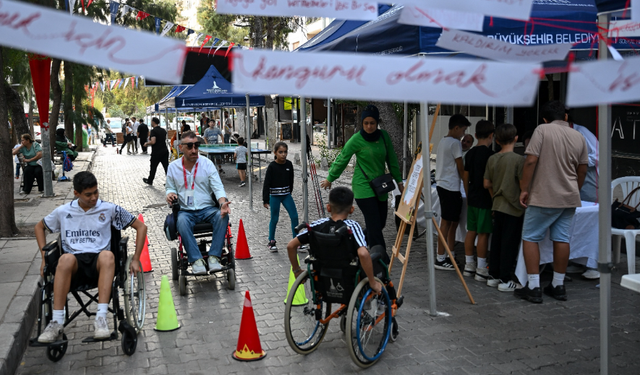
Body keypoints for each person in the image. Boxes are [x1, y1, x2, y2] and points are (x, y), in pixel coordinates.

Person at [34, 171, 147, 343]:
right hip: (75, 264)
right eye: (88, 195)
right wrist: (44, 258)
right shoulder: (63, 211)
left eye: (96, 192)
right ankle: (56, 322)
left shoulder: (109, 209)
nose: (94, 197)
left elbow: (141, 227)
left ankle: (101, 319)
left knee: (108, 256)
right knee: (64, 259)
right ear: (76, 193)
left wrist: (136, 258)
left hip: (100, 264)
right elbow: (39, 227)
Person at [517, 101, 588, 303]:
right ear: (565, 117)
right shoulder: (579, 136)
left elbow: (530, 161)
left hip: (543, 195)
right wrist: (575, 189)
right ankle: (558, 284)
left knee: (530, 237)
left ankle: (533, 286)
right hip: (568, 197)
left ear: (545, 119)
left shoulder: (542, 130)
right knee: (562, 238)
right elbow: (582, 170)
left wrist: (524, 188)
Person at [320, 104, 403, 251]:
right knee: (374, 226)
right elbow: (342, 158)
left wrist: (398, 180)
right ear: (362, 123)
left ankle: (351, 242)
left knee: (380, 223)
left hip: (380, 186)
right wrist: (330, 178)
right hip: (363, 186)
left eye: (372, 123)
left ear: (377, 123)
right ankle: (380, 260)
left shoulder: (384, 136)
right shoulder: (356, 139)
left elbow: (392, 160)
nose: (369, 126)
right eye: (366, 123)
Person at [286, 186, 382, 293]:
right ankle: (378, 295)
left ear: (328, 208)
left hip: (322, 275)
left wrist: (297, 270)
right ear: (351, 210)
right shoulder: (352, 227)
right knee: (378, 251)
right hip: (347, 277)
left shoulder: (316, 226)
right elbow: (363, 254)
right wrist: (372, 281)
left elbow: (291, 246)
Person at [165, 131, 231, 274]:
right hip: (186, 211)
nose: (194, 150)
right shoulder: (173, 167)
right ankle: (196, 260)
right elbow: (169, 187)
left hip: (207, 208)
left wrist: (222, 203)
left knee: (222, 216)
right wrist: (169, 194)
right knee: (181, 222)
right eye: (189, 146)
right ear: (180, 148)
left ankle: (214, 257)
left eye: (196, 145)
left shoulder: (207, 164)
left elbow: (218, 187)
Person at [483, 123, 525, 292]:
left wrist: (495, 195)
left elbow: (486, 183)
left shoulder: (492, 158)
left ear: (497, 140)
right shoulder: (519, 160)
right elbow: (523, 185)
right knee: (510, 242)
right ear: (516, 138)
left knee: (497, 241)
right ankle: (505, 278)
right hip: (514, 206)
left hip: (497, 203)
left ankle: (493, 274)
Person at [434, 114, 470, 270]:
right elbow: (461, 168)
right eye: (463, 130)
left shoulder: (443, 141)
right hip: (450, 186)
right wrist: (467, 187)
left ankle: (449, 253)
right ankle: (440, 257)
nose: (463, 134)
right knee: (446, 223)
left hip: (443, 184)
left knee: (452, 223)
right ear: (456, 128)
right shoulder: (455, 143)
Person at [462, 120, 494, 282]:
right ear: (491, 136)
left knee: (471, 230)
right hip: (485, 198)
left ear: (475, 135)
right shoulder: (491, 155)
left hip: (472, 196)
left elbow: (465, 177)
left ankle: (469, 264)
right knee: (483, 233)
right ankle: (481, 267)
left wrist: (468, 194)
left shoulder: (470, 154)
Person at [263, 142, 298, 252]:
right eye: (280, 152)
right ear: (275, 153)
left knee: (294, 216)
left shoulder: (289, 164)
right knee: (274, 218)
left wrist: (289, 192)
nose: (283, 154)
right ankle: (271, 241)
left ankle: (296, 241)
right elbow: (266, 183)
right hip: (275, 196)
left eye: (285, 152)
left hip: (286, 195)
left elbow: (291, 180)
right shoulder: (272, 167)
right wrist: (265, 199)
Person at [143, 117, 169, 186]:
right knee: (166, 167)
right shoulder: (163, 130)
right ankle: (170, 182)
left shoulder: (153, 131)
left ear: (154, 122)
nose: (151, 123)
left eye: (151, 121)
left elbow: (153, 141)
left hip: (156, 152)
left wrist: (147, 143)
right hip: (164, 150)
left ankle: (150, 180)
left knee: (153, 167)